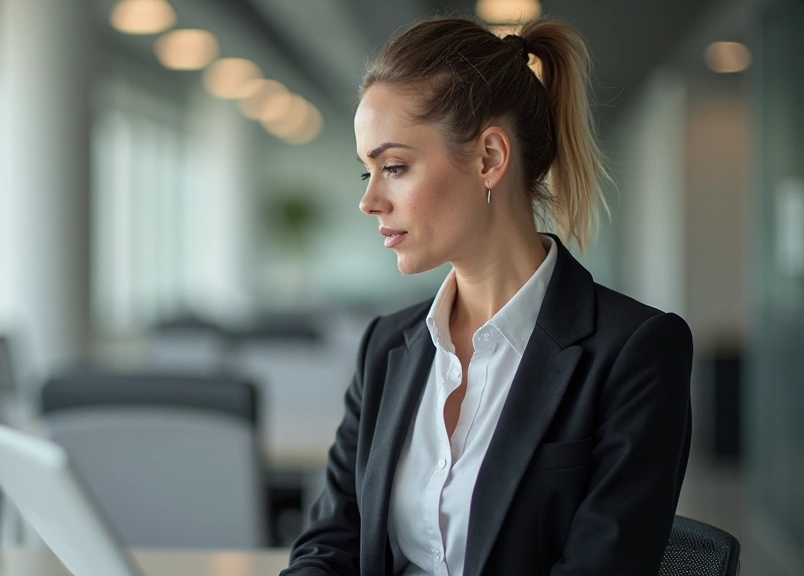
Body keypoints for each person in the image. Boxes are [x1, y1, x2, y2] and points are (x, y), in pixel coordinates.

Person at [280, 16, 693, 576]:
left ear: (490, 158)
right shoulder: (387, 348)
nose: (370, 200)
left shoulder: (634, 353)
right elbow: (329, 545)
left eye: (395, 167)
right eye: (366, 173)